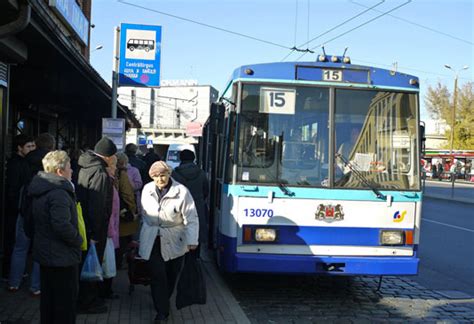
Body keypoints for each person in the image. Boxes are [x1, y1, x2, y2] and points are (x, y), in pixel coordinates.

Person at [140, 161, 199, 322]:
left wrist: (192, 240)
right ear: (152, 177)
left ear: (169, 174)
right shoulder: (147, 189)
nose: (160, 179)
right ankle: (162, 312)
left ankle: (163, 300)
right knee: (157, 275)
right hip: (153, 238)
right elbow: (143, 213)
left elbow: (191, 218)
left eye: (163, 175)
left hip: (175, 238)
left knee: (172, 274)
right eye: (156, 176)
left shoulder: (181, 192)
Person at [29, 150, 82, 324]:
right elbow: (61, 225)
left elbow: (28, 223)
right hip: (63, 257)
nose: (72, 171)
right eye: (69, 167)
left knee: (49, 303)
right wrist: (77, 240)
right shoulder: (58, 192)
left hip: (46, 254)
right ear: (60, 171)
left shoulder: (39, 189)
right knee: (64, 306)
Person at [76, 137, 116, 314]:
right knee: (91, 264)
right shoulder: (100, 172)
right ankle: (88, 302)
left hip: (83, 223)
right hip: (94, 228)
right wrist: (94, 232)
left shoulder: (85, 167)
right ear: (107, 156)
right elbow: (98, 205)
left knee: (85, 263)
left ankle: (85, 298)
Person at [3, 135, 35, 282]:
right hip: (16, 210)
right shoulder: (16, 165)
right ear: (19, 148)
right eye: (29, 146)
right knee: (14, 242)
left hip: (20, 208)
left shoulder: (24, 162)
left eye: (33, 146)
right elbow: (13, 189)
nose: (32, 149)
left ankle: (13, 274)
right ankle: (8, 272)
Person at [172, 149, 209, 255]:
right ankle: (195, 257)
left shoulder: (175, 174)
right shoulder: (201, 173)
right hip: (197, 206)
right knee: (197, 230)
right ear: (193, 159)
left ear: (180, 158)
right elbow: (206, 190)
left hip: (179, 207)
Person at [115, 152, 138, 269]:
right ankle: (119, 264)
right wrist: (132, 210)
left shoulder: (111, 172)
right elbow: (127, 193)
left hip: (114, 213)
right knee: (122, 242)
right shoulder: (122, 174)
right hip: (122, 213)